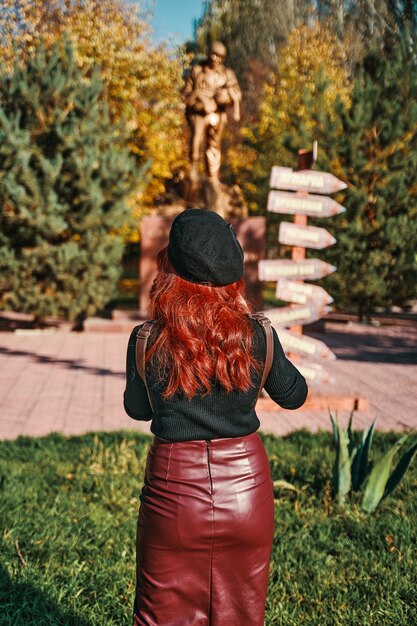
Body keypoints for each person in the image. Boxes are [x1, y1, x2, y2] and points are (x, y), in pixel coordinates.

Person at [124, 208, 308, 626]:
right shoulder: (257, 334)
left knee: (161, 617)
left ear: (170, 270)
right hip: (247, 495)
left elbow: (136, 409)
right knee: (241, 616)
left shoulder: (147, 339)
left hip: (173, 496)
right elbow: (294, 396)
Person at [182, 41, 242, 183]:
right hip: (199, 113)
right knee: (196, 139)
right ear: (209, 54)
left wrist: (225, 98)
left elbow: (237, 93)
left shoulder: (227, 74)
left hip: (218, 113)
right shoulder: (197, 70)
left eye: (220, 57)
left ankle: (212, 175)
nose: (216, 59)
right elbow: (185, 94)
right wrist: (198, 103)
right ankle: (193, 170)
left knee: (214, 144)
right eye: (214, 55)